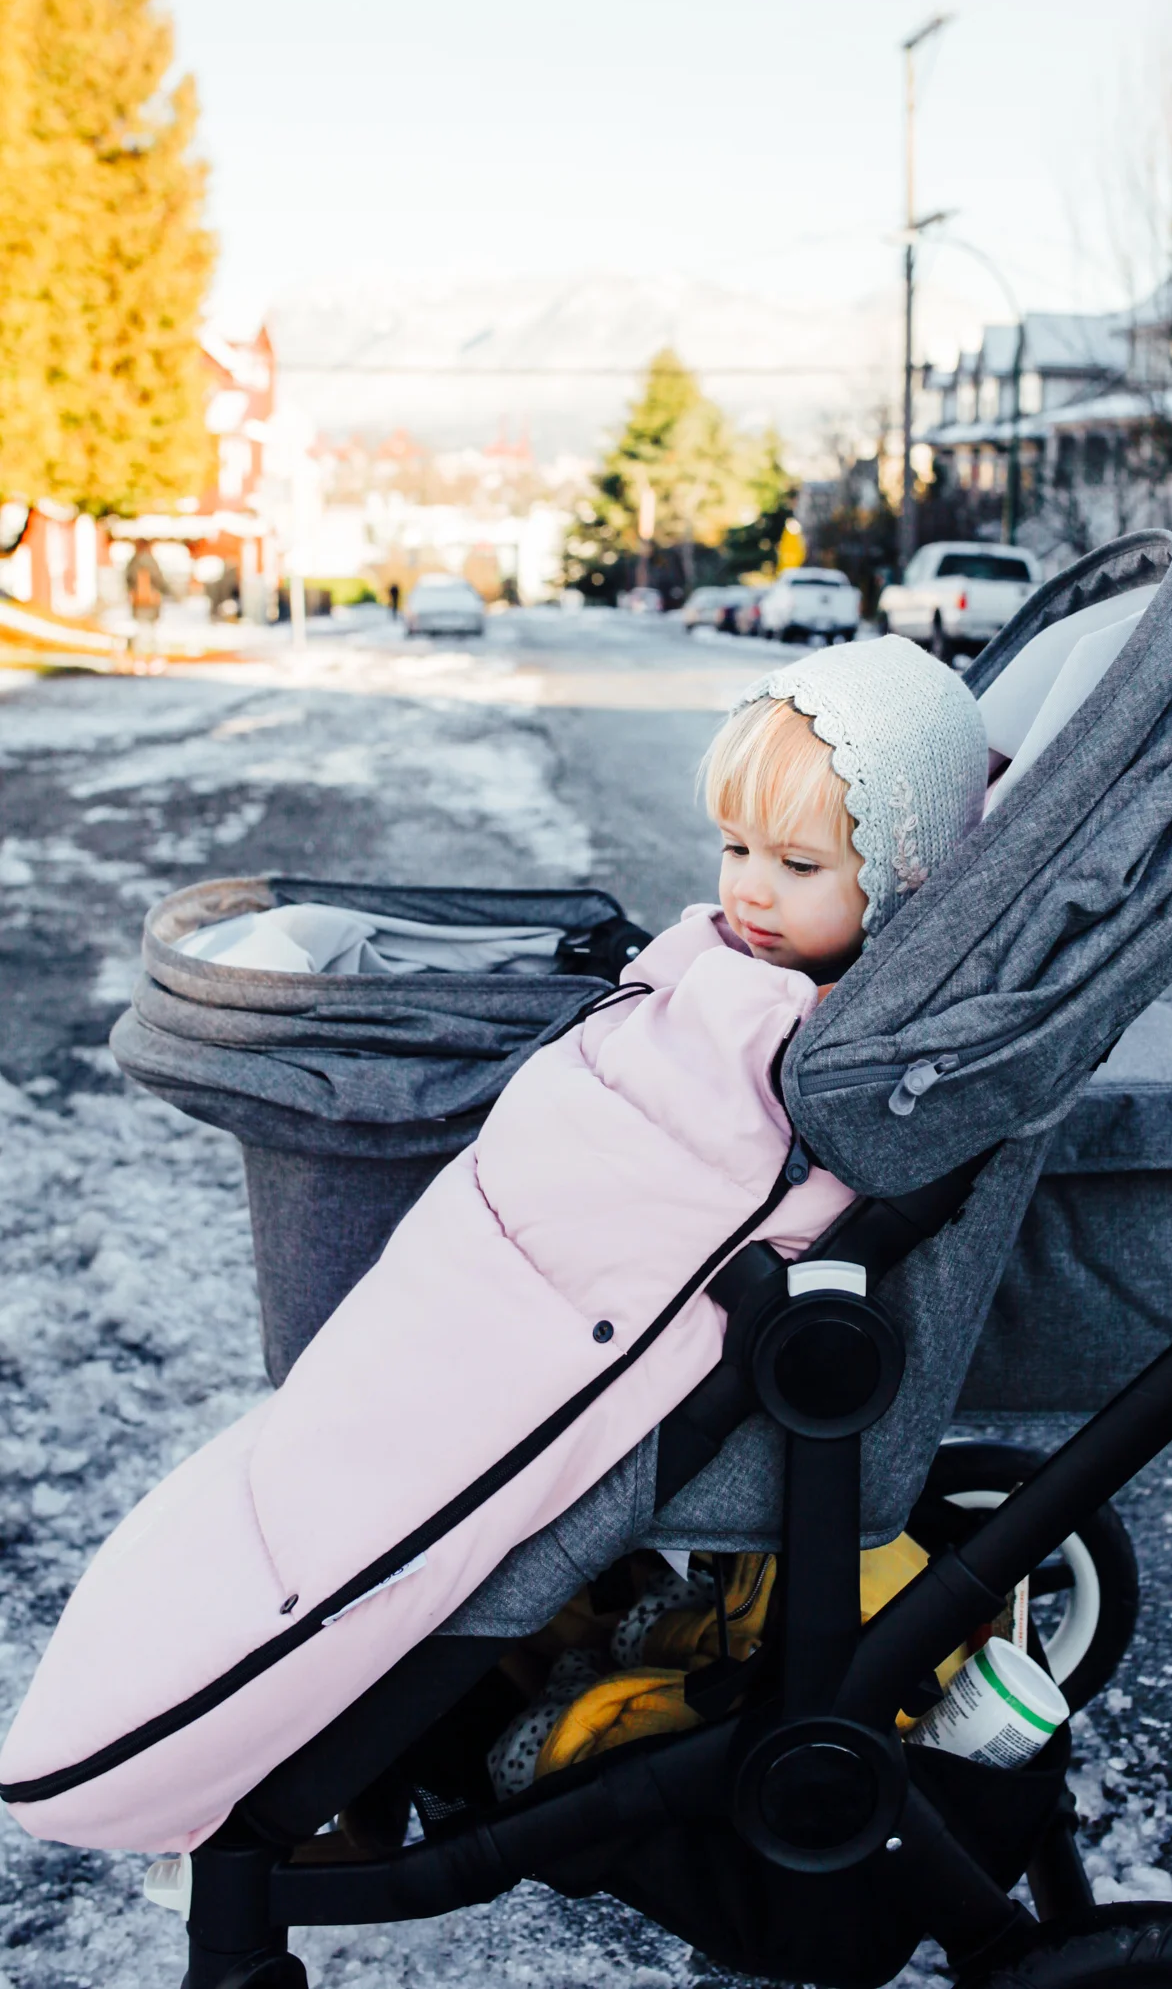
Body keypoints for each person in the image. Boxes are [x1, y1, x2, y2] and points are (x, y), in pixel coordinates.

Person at [0, 637, 991, 1855]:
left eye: (796, 863)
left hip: (596, 1305)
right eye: (735, 850)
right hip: (491, 1266)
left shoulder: (828, 1054)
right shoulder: (714, 960)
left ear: (903, 880)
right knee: (324, 1451)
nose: (749, 891)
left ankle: (241, 1760)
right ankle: (268, 1745)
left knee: (393, 1527)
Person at [124, 542, 167, 659]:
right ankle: (152, 653)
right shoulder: (152, 562)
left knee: (141, 627)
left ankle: (140, 653)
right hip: (151, 601)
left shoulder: (133, 562)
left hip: (139, 600)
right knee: (151, 629)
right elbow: (160, 579)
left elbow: (128, 579)